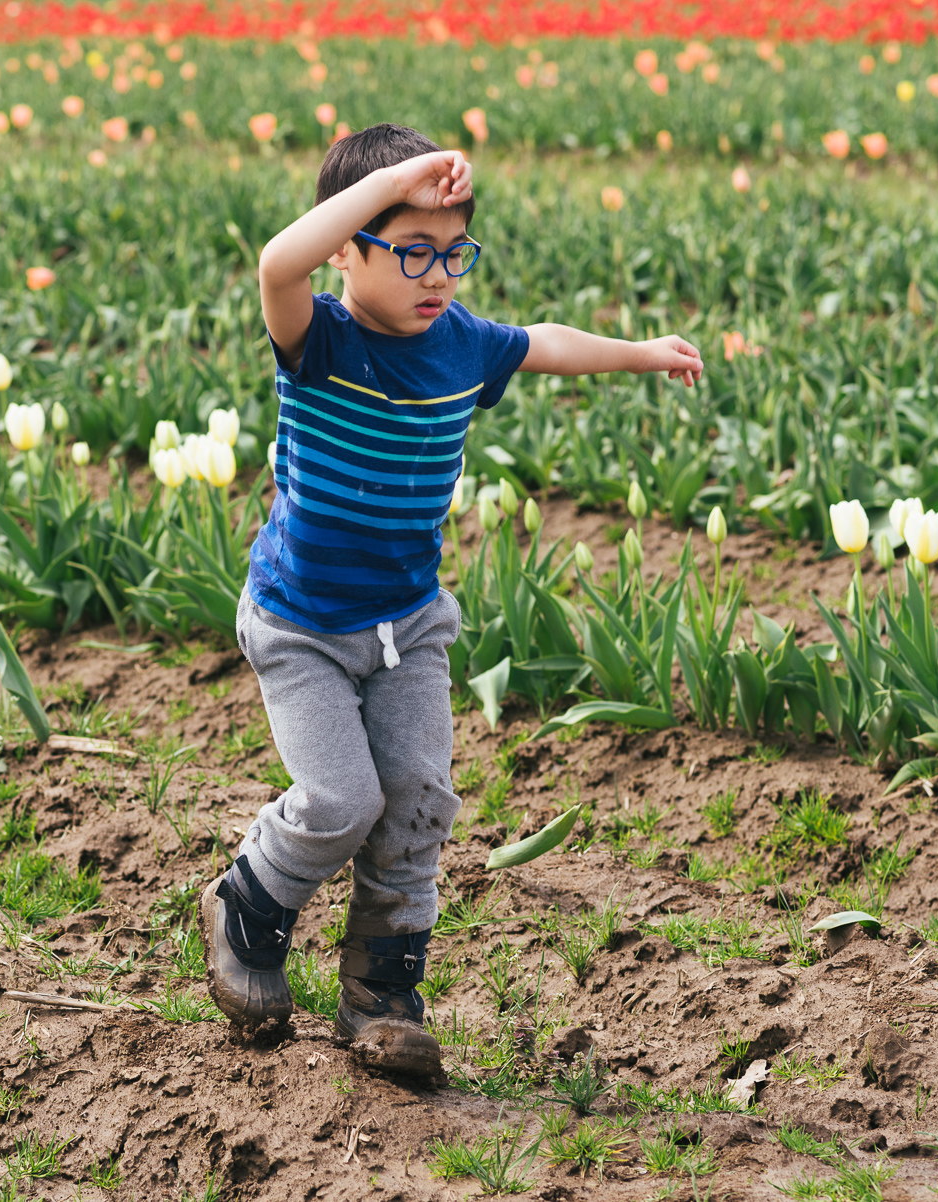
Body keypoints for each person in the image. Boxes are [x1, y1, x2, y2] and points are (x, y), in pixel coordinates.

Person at [200, 122, 702, 1076]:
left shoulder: (461, 347)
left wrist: (642, 351)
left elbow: (544, 340)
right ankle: (250, 905)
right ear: (348, 248)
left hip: (409, 625)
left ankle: (382, 994)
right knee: (343, 799)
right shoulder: (320, 338)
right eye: (413, 251)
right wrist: (391, 176)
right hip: (302, 625)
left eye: (454, 254)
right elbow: (276, 260)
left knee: (421, 798)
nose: (438, 276)